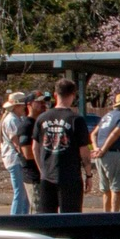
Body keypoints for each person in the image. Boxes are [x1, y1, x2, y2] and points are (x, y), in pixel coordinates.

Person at [34, 78, 92, 214]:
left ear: (55, 94)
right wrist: (89, 174)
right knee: (70, 218)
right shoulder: (76, 119)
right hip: (70, 177)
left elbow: (35, 148)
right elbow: (84, 151)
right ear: (73, 95)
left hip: (47, 175)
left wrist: (42, 169)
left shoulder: (42, 118)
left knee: (47, 219)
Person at [92, 92, 120, 213]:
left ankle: (106, 215)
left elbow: (93, 133)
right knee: (116, 189)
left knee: (105, 189)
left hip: (100, 156)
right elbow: (116, 133)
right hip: (113, 154)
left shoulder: (106, 116)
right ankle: (114, 216)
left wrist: (96, 148)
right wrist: (103, 149)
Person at [0, 91, 33, 215]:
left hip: (14, 159)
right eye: (23, 104)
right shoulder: (12, 120)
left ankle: (23, 217)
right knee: (20, 192)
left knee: (24, 192)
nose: (25, 107)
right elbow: (17, 143)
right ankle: (15, 218)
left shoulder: (17, 118)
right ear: (17, 106)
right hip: (15, 159)